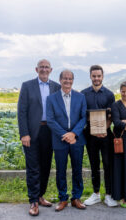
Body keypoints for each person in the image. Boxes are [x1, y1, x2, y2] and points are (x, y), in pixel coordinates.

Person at [17, 59, 60, 216]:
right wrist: (24, 134)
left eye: (46, 67)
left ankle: (41, 195)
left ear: (51, 69)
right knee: (33, 167)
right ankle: (33, 201)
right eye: (41, 67)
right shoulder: (27, 86)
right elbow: (21, 111)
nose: (44, 69)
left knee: (46, 165)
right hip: (32, 132)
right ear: (36, 69)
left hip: (49, 132)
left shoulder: (56, 86)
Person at [46, 70, 87, 211]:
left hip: (77, 140)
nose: (67, 81)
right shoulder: (51, 99)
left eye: (70, 79)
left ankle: (76, 198)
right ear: (60, 80)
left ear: (73, 80)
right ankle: (63, 198)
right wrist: (65, 135)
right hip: (60, 140)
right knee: (60, 171)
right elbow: (50, 120)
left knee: (77, 169)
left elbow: (83, 118)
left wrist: (74, 134)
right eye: (65, 78)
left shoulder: (80, 97)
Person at [81, 65, 117, 207]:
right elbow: (82, 114)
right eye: (94, 76)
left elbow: (112, 116)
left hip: (105, 134)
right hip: (90, 135)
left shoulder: (109, 94)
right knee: (94, 164)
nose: (96, 78)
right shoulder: (83, 94)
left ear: (102, 76)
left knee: (108, 164)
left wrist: (104, 128)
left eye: (98, 76)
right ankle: (96, 193)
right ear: (90, 76)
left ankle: (109, 195)